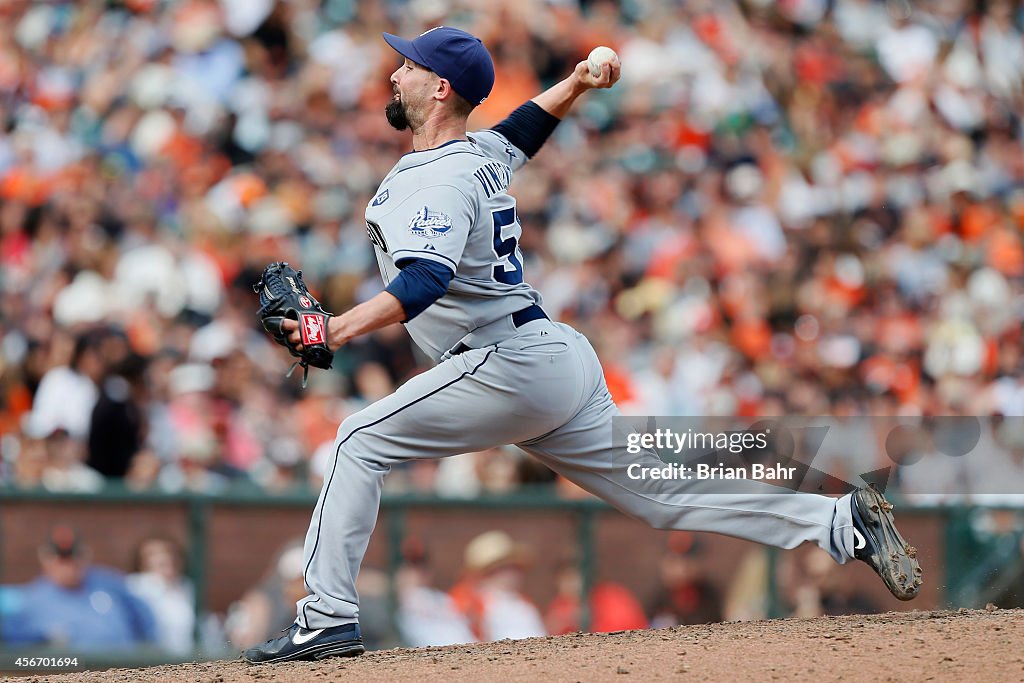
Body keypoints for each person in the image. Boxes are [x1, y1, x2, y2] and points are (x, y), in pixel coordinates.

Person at [243, 26, 922, 664]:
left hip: (503, 361)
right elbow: (523, 131)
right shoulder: (476, 156)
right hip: (548, 357)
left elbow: (426, 280)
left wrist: (332, 329)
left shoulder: (441, 178)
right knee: (664, 497)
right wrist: (577, 82)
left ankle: (326, 615)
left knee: (360, 439)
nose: (395, 72)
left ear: (440, 88)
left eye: (409, 66)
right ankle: (840, 520)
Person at [1, 525, 156, 651]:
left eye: (73, 554)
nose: (68, 563)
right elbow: (17, 658)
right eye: (61, 556)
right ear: (45, 558)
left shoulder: (110, 584)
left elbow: (146, 624)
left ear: (85, 554)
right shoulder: (30, 603)